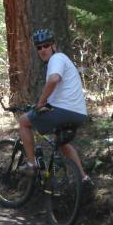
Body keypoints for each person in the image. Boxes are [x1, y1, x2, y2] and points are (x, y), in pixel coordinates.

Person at [18, 28, 91, 184]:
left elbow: (53, 80)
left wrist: (41, 102)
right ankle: (84, 178)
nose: (43, 49)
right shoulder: (63, 60)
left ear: (53, 46)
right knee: (62, 143)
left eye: (46, 45)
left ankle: (31, 164)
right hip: (79, 113)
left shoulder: (56, 58)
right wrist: (43, 104)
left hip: (63, 110)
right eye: (39, 47)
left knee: (23, 122)